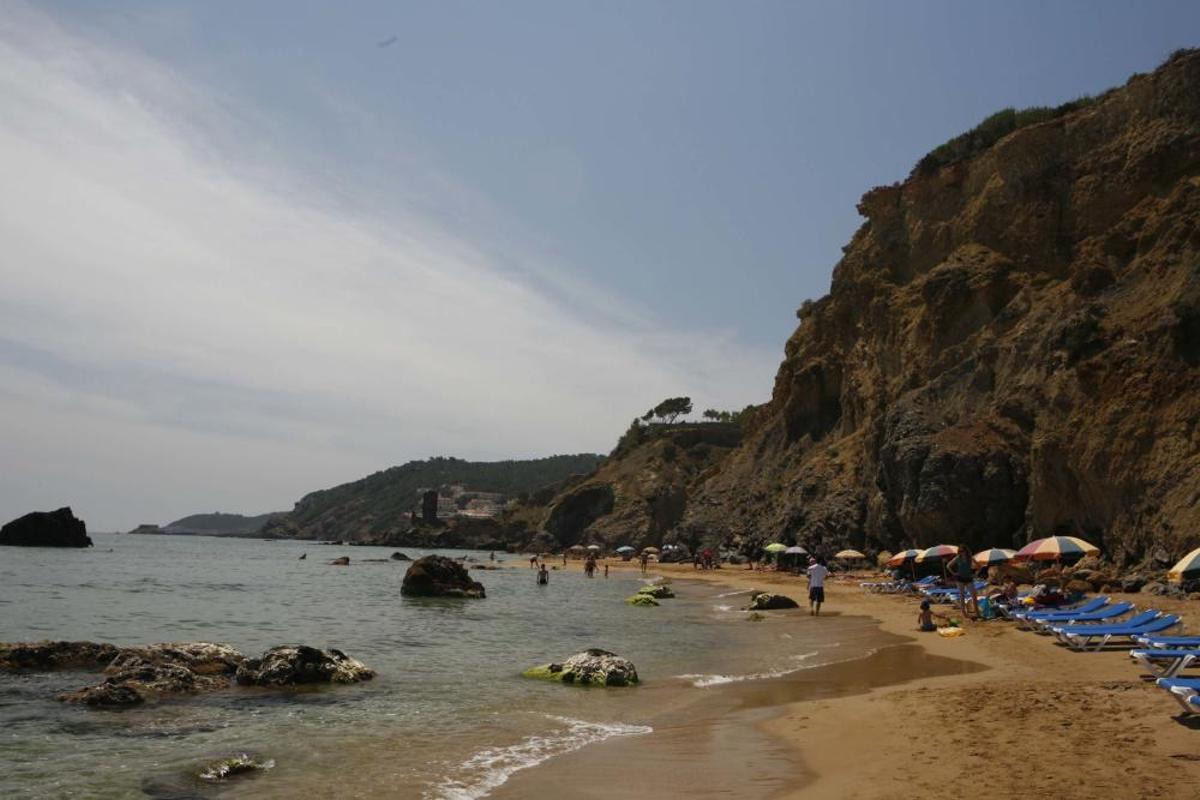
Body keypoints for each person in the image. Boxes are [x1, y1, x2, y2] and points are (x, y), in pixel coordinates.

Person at [946, 545, 979, 618]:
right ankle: (963, 612)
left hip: (969, 578)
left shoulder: (970, 558)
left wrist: (975, 574)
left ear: (966, 551)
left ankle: (977, 611)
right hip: (960, 578)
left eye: (962, 551)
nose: (961, 552)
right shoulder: (958, 558)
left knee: (974, 595)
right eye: (959, 551)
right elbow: (948, 566)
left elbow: (978, 566)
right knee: (962, 596)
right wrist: (954, 573)